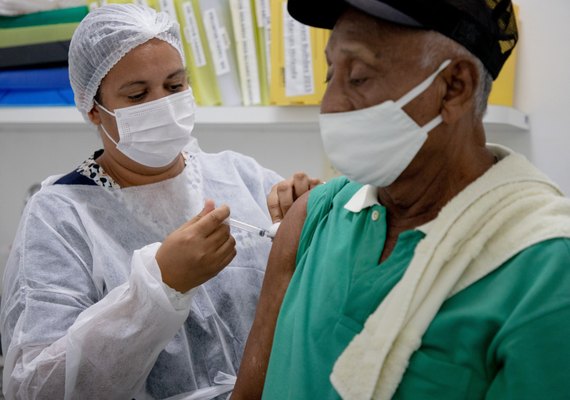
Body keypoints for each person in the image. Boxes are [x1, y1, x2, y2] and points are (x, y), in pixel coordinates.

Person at [231, 0, 570, 399]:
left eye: (357, 78)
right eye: (329, 75)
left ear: (453, 88)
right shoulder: (312, 219)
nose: (331, 105)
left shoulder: (543, 270)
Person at [0, 4, 319, 399]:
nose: (162, 105)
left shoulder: (243, 177)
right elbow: (35, 388)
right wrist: (159, 288)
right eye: (137, 95)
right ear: (93, 109)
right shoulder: (59, 217)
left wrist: (312, 223)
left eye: (174, 86)